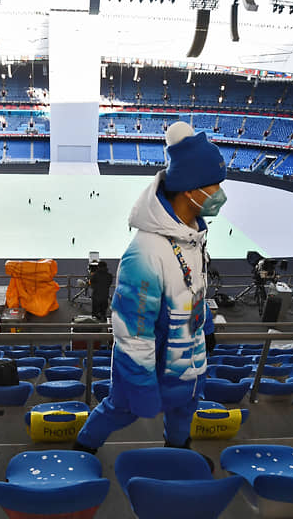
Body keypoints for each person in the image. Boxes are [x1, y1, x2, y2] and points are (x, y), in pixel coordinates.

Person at [73, 121, 226, 462]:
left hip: (189, 358)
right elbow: (132, 329)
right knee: (120, 409)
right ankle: (84, 446)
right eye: (214, 185)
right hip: (154, 362)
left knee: (185, 409)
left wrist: (208, 328)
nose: (220, 193)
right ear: (190, 189)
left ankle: (178, 452)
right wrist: (141, 386)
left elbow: (194, 290)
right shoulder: (145, 252)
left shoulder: (194, 236)